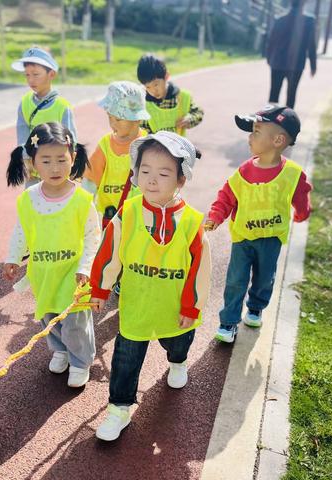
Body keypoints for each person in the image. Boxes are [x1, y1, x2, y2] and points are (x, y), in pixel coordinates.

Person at [90, 131, 211, 441]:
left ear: (181, 180)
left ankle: (178, 361)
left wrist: (191, 306)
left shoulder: (191, 223)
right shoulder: (128, 213)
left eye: (163, 173)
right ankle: (119, 408)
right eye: (145, 171)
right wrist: (101, 289)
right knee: (125, 358)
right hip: (136, 306)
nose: (152, 180)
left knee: (178, 342)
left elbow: (200, 269)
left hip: (174, 307)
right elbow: (109, 252)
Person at [4, 123, 100, 388]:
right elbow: (21, 230)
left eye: (61, 159)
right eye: (46, 160)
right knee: (49, 315)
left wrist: (86, 267)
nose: (55, 167)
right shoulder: (28, 198)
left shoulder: (82, 199)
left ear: (73, 159)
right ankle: (60, 349)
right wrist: (13, 257)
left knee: (76, 322)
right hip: (44, 272)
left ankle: (81, 361)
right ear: (33, 164)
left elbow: (93, 235)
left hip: (74, 274)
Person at [206, 106, 312, 343]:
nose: (249, 137)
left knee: (265, 278)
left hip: (271, 239)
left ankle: (255, 307)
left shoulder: (293, 173)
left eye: (256, 131)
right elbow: (226, 196)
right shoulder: (243, 172)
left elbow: (301, 193)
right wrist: (215, 216)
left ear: (277, 140)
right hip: (243, 239)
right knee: (235, 280)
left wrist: (302, 211)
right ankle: (228, 322)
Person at [82, 81, 149, 229]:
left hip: (142, 218)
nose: (112, 124)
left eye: (118, 119)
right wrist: (85, 210)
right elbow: (90, 181)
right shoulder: (106, 146)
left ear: (137, 118)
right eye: (109, 117)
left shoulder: (148, 145)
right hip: (111, 218)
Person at [12, 46, 77, 185]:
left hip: (57, 175)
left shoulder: (63, 107)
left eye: (36, 74)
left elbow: (71, 142)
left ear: (51, 74)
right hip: (34, 174)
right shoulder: (25, 103)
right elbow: (22, 136)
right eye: (27, 75)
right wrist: (26, 161)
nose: (31, 80)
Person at [136, 54, 204, 136]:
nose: (153, 91)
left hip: (178, 148)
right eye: (148, 87)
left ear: (166, 76)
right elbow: (140, 130)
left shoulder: (182, 97)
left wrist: (189, 119)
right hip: (154, 148)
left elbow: (198, 112)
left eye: (156, 85)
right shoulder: (143, 104)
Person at [266, 0, 317, 109]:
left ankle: (270, 121)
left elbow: (271, 40)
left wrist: (269, 57)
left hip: (277, 62)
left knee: (274, 94)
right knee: (291, 95)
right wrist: (313, 65)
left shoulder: (279, 19)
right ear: (304, 3)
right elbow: (311, 45)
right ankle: (288, 123)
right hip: (296, 64)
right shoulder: (309, 21)